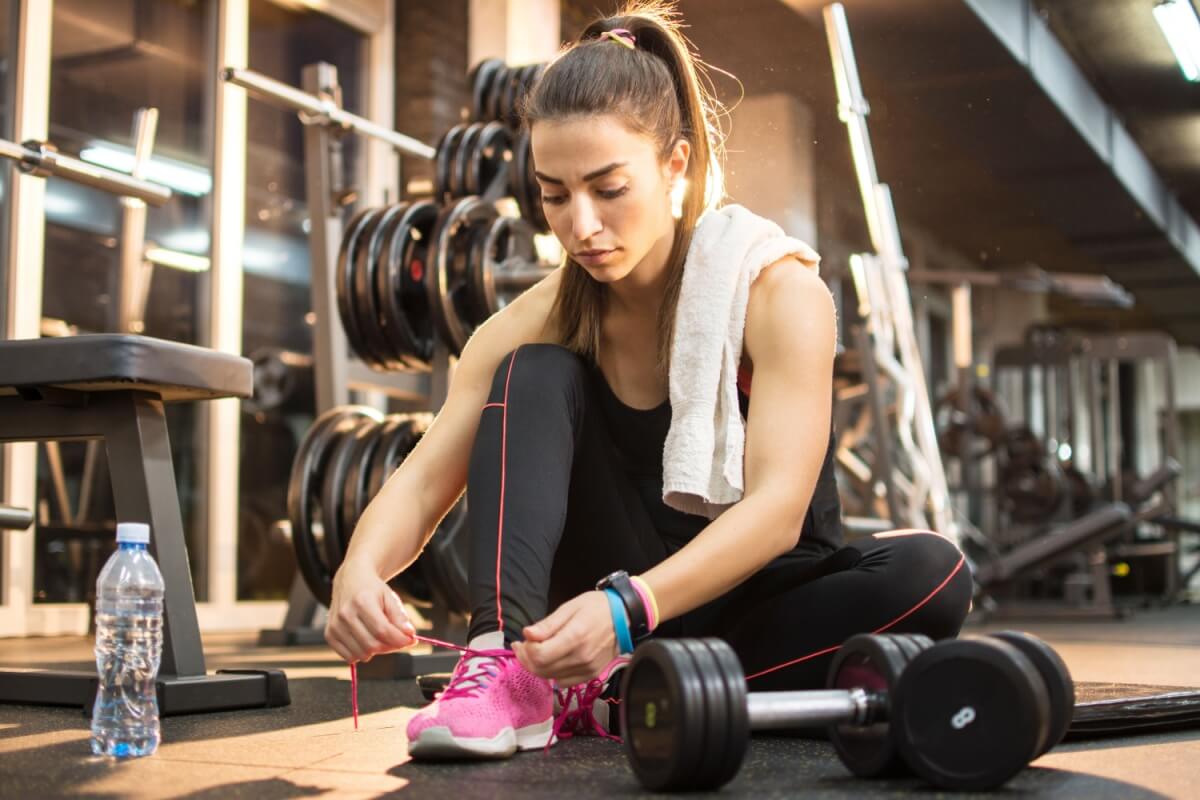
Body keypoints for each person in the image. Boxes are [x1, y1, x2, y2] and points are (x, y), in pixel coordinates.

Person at [325, 0, 972, 761]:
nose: (581, 227)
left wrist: (630, 609)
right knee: (531, 369)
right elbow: (427, 474)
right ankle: (507, 670)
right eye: (555, 195)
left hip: (742, 601)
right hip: (594, 611)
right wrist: (358, 570)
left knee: (934, 573)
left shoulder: (776, 292)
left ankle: (629, 692)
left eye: (608, 188)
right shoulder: (535, 319)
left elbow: (776, 513)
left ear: (676, 163)